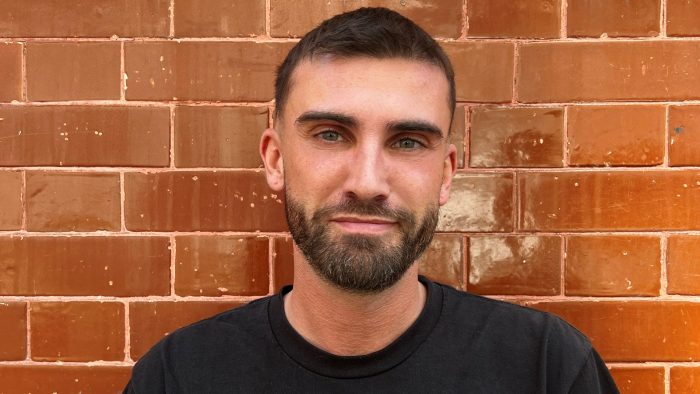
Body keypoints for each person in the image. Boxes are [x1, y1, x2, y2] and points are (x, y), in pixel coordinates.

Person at [124, 7, 619, 393]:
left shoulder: (546, 368)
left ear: (445, 174)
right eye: (331, 134)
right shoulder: (180, 376)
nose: (366, 182)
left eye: (407, 141)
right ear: (275, 160)